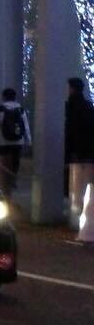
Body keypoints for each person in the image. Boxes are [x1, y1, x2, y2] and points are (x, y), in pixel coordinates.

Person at [65, 76, 94, 243]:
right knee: (87, 187)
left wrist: (71, 151)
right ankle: (84, 218)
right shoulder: (88, 106)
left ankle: (76, 220)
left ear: (72, 89)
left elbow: (71, 130)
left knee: (76, 187)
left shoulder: (71, 106)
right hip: (88, 152)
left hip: (76, 152)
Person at [0, 86, 31, 197]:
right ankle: (13, 181)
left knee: (3, 162)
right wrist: (29, 141)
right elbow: (25, 126)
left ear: (4, 97)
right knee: (15, 162)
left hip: (3, 141)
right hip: (18, 141)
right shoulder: (21, 109)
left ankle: (3, 181)